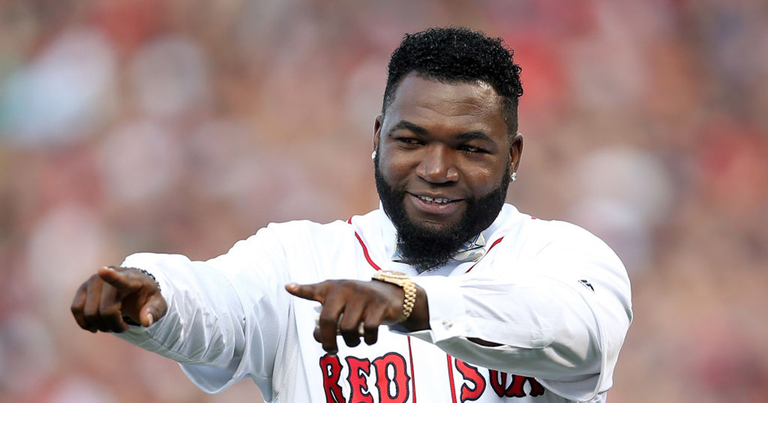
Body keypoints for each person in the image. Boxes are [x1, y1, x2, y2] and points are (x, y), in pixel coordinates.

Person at [71, 27, 633, 403]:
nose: (437, 169)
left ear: (512, 157)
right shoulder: (304, 257)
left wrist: (411, 302)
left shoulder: (565, 257)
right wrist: (156, 291)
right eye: (411, 140)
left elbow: (575, 333)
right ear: (378, 139)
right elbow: (220, 303)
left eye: (471, 147)